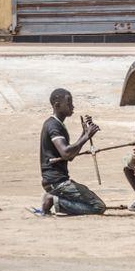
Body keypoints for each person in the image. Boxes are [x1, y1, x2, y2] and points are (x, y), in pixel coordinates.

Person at [38, 88, 106, 216]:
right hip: (56, 182)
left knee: (91, 203)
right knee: (98, 207)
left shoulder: (56, 124)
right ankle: (54, 200)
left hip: (55, 181)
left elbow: (70, 155)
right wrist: (86, 137)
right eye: (69, 103)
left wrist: (85, 134)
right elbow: (66, 153)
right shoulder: (53, 126)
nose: (72, 106)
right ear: (57, 105)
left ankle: (56, 200)